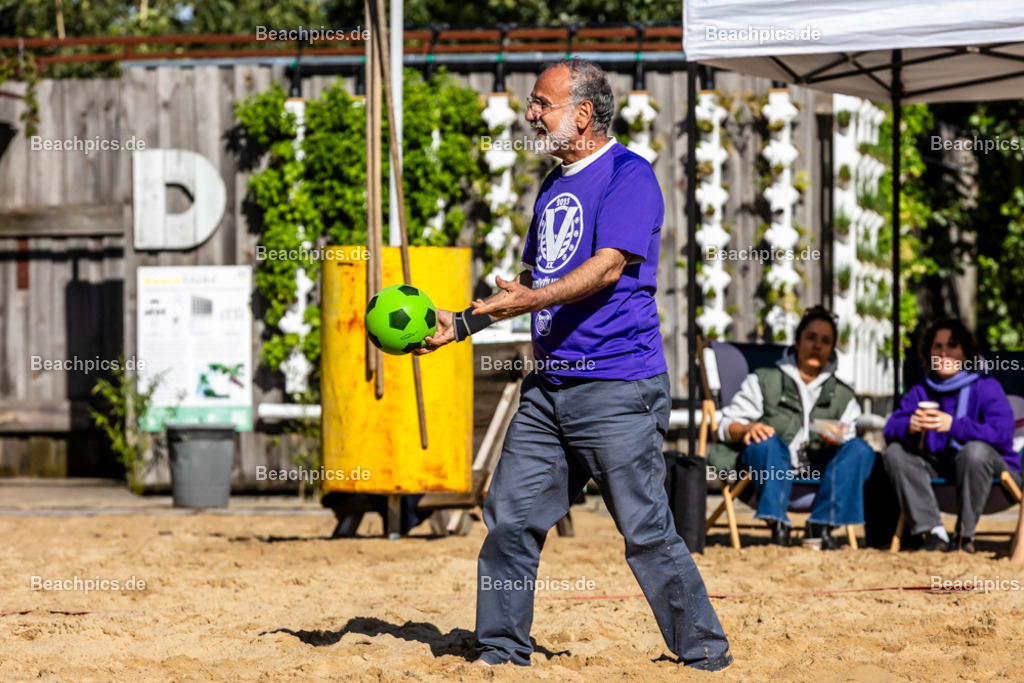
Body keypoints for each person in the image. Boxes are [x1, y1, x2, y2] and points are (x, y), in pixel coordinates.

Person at [415, 58, 732, 671]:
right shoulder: (554, 184)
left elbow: (608, 266)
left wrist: (535, 296)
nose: (530, 114)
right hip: (548, 388)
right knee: (509, 518)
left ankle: (705, 653)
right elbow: (538, 278)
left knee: (644, 531)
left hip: (618, 387)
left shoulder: (628, 176)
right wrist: (463, 323)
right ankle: (503, 650)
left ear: (583, 114)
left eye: (541, 103)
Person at [711, 306, 876, 549]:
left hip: (819, 477)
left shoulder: (843, 395)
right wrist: (748, 429)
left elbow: (848, 436)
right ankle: (777, 523)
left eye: (826, 340)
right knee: (765, 439)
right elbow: (725, 425)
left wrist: (837, 440)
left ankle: (820, 525)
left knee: (860, 449)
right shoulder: (764, 380)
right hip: (764, 476)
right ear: (797, 342)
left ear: (832, 349)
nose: (817, 346)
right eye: (811, 337)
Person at [882, 318, 1019, 553]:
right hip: (942, 475)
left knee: (973, 452)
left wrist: (954, 426)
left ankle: (964, 537)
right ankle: (934, 532)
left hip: (997, 480)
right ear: (929, 353)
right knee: (895, 452)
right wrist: (910, 426)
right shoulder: (921, 389)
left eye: (952, 345)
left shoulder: (985, 386)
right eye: (937, 346)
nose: (944, 352)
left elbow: (1004, 434)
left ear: (966, 353)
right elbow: (890, 428)